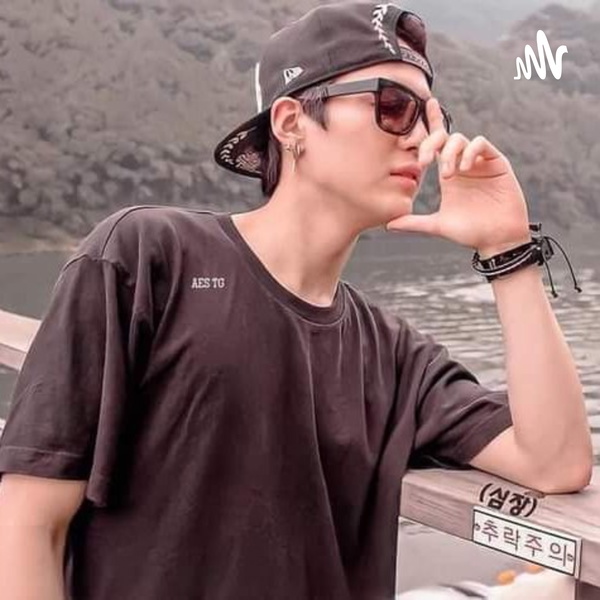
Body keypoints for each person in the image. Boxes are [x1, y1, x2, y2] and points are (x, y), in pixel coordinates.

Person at [0, 2, 593, 599]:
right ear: (290, 123)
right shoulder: (149, 258)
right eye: (393, 107)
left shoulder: (393, 357)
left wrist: (507, 250)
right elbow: (29, 525)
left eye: (433, 117)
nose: (424, 140)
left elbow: (555, 461)